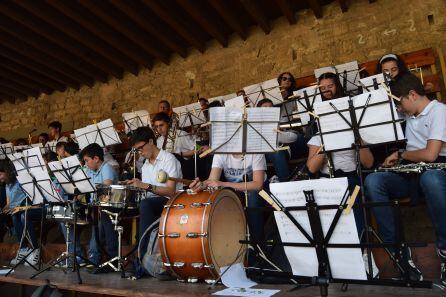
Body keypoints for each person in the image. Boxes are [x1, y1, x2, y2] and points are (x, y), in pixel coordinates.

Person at [365, 73, 446, 284]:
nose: (399, 109)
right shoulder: (410, 112)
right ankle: (397, 252)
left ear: (412, 94)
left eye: (400, 103)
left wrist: (401, 154)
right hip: (412, 172)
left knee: (431, 180)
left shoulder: (439, 111)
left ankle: (445, 250)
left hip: (437, 170)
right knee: (374, 181)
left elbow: (430, 155)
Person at [190, 153, 267, 257]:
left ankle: (258, 248)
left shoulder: (255, 152)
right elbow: (212, 181)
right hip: (234, 189)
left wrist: (223, 184)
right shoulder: (221, 153)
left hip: (254, 190)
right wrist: (202, 185)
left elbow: (258, 184)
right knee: (218, 199)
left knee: (253, 198)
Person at [126, 127, 182, 256]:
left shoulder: (169, 159)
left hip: (172, 202)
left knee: (146, 204)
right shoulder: (145, 165)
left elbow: (170, 191)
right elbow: (147, 192)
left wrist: (145, 185)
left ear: (151, 141)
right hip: (153, 202)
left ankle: (143, 255)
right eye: (137, 150)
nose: (140, 152)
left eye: (141, 148)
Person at [79, 143, 118, 267]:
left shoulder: (106, 168)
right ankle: (91, 256)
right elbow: (83, 190)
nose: (85, 164)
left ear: (96, 159)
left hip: (110, 207)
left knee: (100, 221)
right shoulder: (90, 171)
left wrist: (97, 206)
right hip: (96, 207)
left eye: (86, 161)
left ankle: (96, 257)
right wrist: (76, 198)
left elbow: (105, 191)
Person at [0, 159, 41, 267]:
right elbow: (9, 204)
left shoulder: (20, 182)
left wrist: (19, 208)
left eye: (0, 174)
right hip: (18, 210)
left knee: (23, 216)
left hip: (30, 208)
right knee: (14, 216)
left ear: (7, 171)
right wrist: (4, 209)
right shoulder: (7, 185)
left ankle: (35, 249)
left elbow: (34, 201)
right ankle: (23, 249)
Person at [257, 98, 298, 182]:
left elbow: (294, 137)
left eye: (271, 107)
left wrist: (276, 135)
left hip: (277, 151)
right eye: (265, 107)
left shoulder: (279, 121)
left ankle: (286, 183)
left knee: (277, 152)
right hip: (260, 154)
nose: (269, 109)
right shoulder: (255, 124)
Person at [153, 112, 196, 179]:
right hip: (168, 173)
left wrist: (180, 154)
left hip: (184, 169)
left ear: (168, 124)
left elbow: (198, 148)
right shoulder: (159, 140)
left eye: (161, 125)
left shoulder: (180, 134)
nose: (159, 129)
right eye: (156, 126)